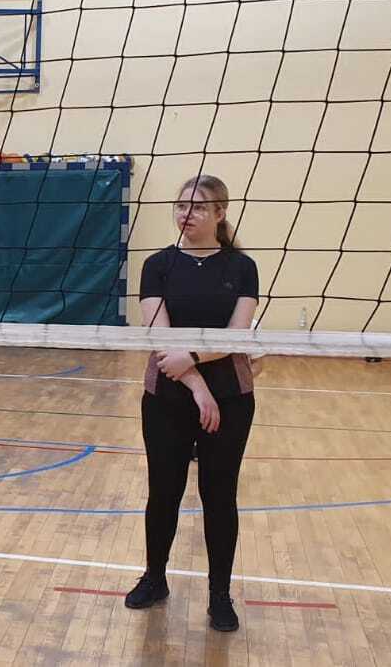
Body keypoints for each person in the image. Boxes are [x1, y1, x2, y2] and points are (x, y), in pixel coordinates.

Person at [124, 174, 259, 633]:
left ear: (220, 213)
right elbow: (159, 334)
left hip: (232, 397)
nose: (187, 214)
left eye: (198, 207)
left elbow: (237, 335)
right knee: (163, 491)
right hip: (167, 395)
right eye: (181, 206)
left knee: (219, 495)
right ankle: (154, 578)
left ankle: (220, 595)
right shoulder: (157, 265)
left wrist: (196, 359)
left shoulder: (242, 267)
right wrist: (198, 385)